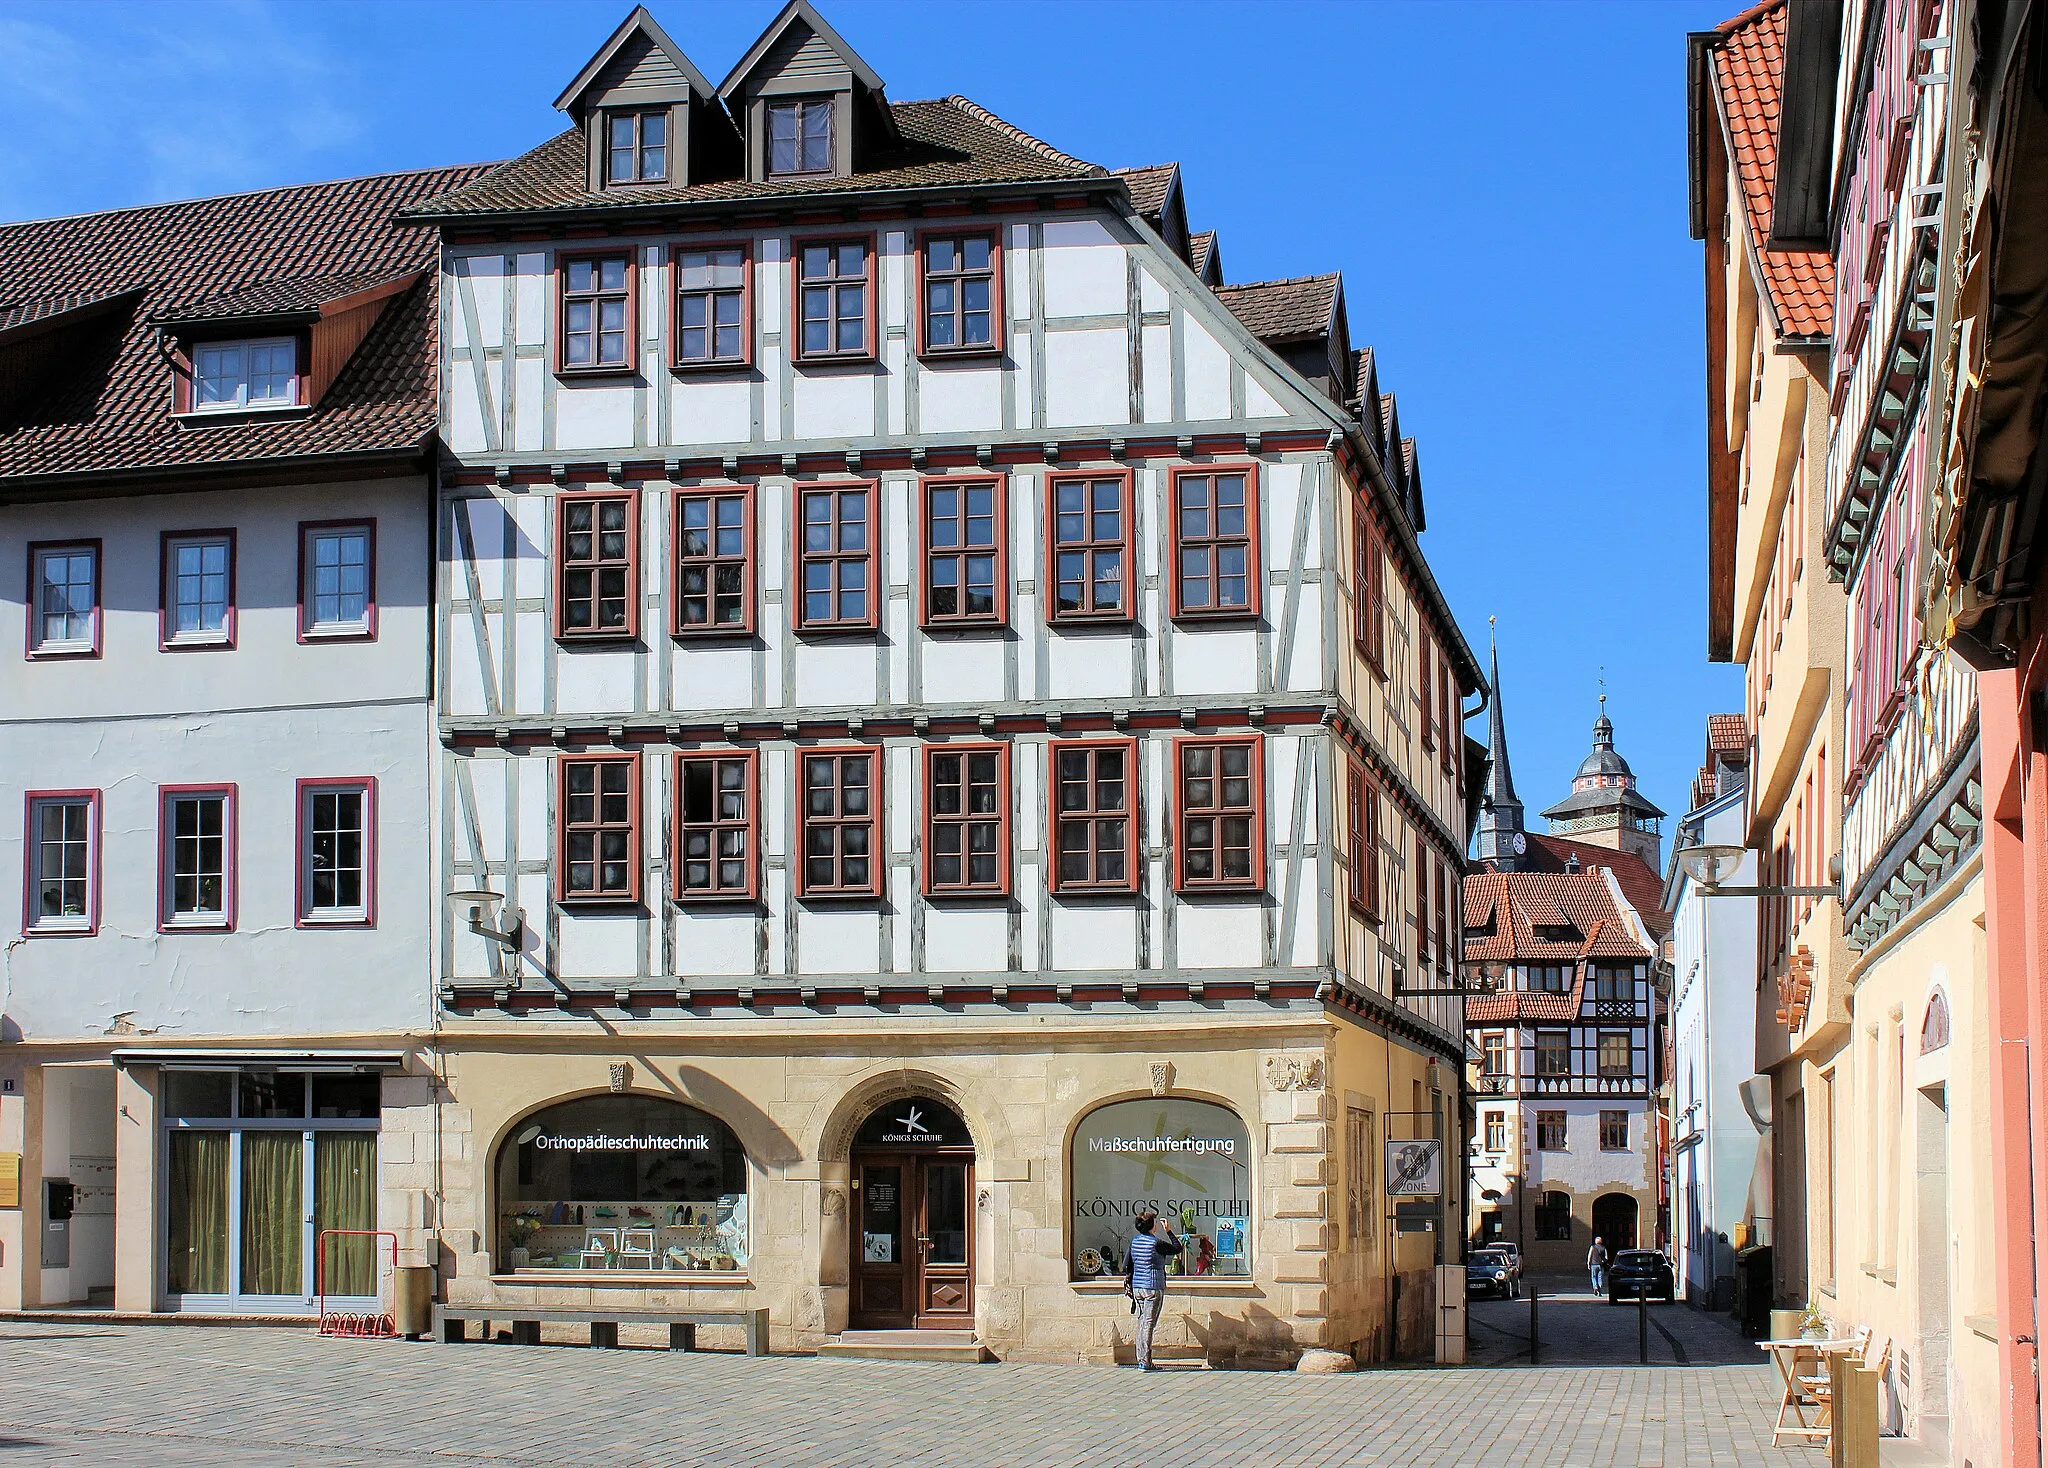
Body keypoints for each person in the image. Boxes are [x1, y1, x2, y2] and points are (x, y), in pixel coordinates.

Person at [1124, 1208, 1184, 1370]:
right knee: (1148, 1324)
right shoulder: (1156, 1243)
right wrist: (1169, 1231)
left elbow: (1126, 1265)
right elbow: (1177, 1248)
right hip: (1153, 1287)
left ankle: (1141, 1358)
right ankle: (1145, 1361)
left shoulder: (1134, 1242)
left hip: (1137, 1287)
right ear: (1152, 1226)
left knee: (1142, 1321)